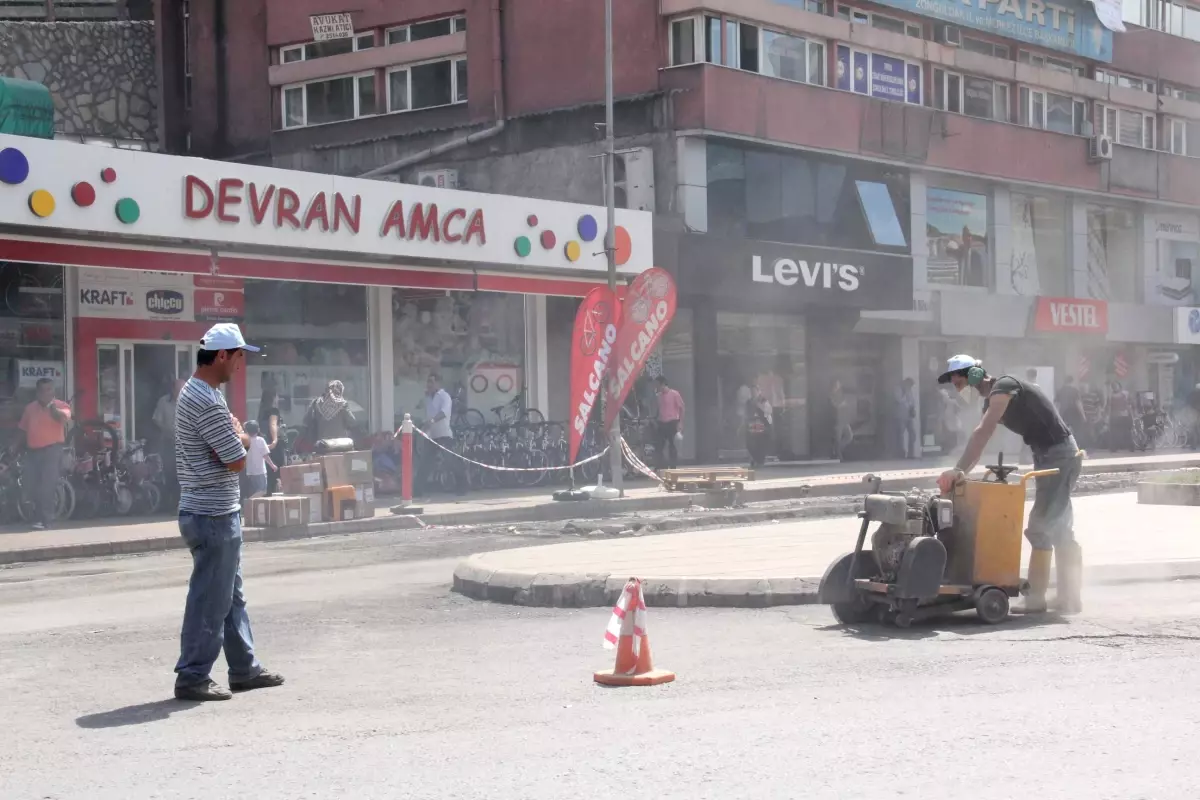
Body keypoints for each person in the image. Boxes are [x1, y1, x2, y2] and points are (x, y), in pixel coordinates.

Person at [174, 323, 284, 702]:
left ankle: (244, 669)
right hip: (213, 514)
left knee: (230, 596)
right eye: (239, 357)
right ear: (222, 355)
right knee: (211, 598)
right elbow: (237, 459)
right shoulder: (206, 400)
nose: (240, 365)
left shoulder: (200, 393)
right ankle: (192, 676)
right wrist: (245, 436)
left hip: (211, 510)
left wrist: (236, 433)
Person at [936, 354, 1083, 615]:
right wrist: (961, 471)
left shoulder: (1004, 386)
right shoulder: (991, 401)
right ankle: (1069, 597)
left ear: (974, 376)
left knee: (1042, 525)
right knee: (1058, 525)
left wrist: (959, 469)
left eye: (959, 384)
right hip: (1050, 454)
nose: (959, 391)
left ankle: (1037, 598)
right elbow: (980, 441)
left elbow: (984, 431)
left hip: (1059, 454)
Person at [14, 378, 71, 531]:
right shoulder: (30, 408)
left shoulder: (61, 406)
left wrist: (53, 410)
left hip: (52, 450)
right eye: (42, 390)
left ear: (53, 391)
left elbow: (63, 418)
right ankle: (36, 517)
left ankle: (47, 520)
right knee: (30, 484)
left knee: (47, 485)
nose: (45, 393)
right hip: (32, 451)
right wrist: (13, 447)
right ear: (37, 392)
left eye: (49, 390)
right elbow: (22, 430)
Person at [420, 373, 465, 496]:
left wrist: (432, 421)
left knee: (450, 461)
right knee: (425, 462)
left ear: (438, 383)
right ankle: (417, 490)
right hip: (432, 435)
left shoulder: (444, 396)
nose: (429, 384)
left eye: (431, 382)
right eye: (428, 382)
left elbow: (444, 412)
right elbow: (427, 414)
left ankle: (462, 485)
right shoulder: (428, 398)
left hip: (444, 434)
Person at [153, 379, 185, 503]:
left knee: (183, 474)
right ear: (173, 390)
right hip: (169, 442)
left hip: (185, 443)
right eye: (179, 390)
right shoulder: (163, 402)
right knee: (170, 472)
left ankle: (183, 503)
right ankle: (172, 503)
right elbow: (156, 420)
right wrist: (168, 429)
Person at [305, 380, 355, 444]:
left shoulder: (316, 403)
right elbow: (352, 422)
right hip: (339, 444)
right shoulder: (342, 404)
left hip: (321, 445)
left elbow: (306, 421)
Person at [653, 375, 684, 471]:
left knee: (672, 445)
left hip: (672, 422)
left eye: (658, 385)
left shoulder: (674, 394)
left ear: (663, 384)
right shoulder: (659, 396)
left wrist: (680, 422)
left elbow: (682, 408)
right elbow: (659, 409)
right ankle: (660, 465)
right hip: (662, 422)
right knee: (659, 445)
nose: (657, 387)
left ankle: (673, 467)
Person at [242, 420, 277, 501]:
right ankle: (248, 502)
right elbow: (265, 455)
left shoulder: (245, 441)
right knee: (262, 491)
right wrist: (272, 466)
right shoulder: (260, 440)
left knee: (255, 491)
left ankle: (252, 508)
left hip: (249, 471)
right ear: (258, 430)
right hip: (260, 471)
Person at [258, 389, 283, 495]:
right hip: (273, 447)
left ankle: (268, 495)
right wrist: (275, 440)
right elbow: (272, 424)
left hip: (265, 444)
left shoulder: (262, 412)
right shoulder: (274, 411)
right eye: (277, 396)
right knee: (276, 471)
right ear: (273, 398)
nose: (278, 398)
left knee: (268, 472)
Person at [894, 378, 919, 459]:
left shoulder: (909, 390)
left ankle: (911, 454)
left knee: (912, 434)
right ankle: (901, 453)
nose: (910, 387)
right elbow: (898, 400)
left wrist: (913, 409)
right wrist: (905, 395)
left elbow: (912, 401)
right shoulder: (898, 388)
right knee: (900, 435)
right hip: (901, 415)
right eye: (910, 385)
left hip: (909, 415)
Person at [829, 379, 854, 461]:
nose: (838, 386)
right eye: (837, 384)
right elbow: (834, 405)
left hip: (844, 420)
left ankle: (837, 451)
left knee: (849, 436)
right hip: (837, 421)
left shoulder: (841, 394)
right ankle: (838, 456)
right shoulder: (831, 395)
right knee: (838, 439)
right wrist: (841, 404)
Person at [1108, 381, 1133, 451]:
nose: (1114, 387)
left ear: (1119, 386)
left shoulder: (1125, 394)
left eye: (1115, 385)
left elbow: (1129, 404)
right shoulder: (1110, 395)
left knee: (1127, 432)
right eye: (1113, 386)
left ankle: (1130, 446)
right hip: (1114, 416)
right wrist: (1108, 416)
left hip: (1124, 415)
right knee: (1114, 433)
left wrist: (1131, 414)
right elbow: (1109, 407)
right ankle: (1114, 447)